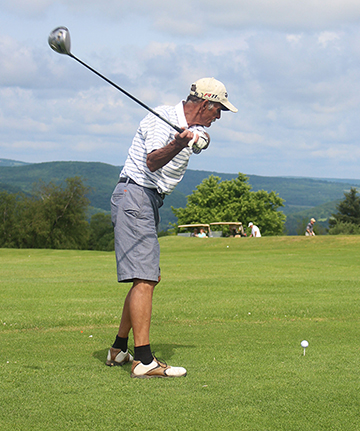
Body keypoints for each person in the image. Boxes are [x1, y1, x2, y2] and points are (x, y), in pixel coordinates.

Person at [107, 77, 237, 378]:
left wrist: (195, 138)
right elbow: (152, 162)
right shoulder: (159, 119)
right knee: (145, 277)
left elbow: (202, 141)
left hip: (147, 200)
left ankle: (118, 349)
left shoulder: (197, 127)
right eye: (218, 110)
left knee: (147, 276)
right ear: (206, 104)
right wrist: (178, 142)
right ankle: (144, 361)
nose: (219, 117)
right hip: (136, 193)